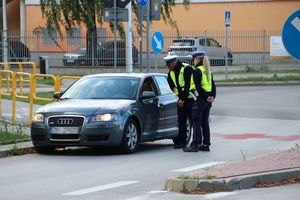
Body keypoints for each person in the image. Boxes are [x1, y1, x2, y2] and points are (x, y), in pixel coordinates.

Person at [183, 52, 216, 152]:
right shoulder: (207, 70)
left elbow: (198, 87)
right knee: (204, 122)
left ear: (197, 59)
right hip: (207, 100)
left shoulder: (197, 71)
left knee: (196, 121)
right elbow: (213, 86)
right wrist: (212, 97)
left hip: (200, 99)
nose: (193, 61)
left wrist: (206, 97)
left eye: (193, 59)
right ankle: (206, 144)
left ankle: (195, 144)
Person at [163, 55, 194, 149]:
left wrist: (182, 99)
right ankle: (182, 142)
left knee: (195, 121)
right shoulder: (171, 72)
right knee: (181, 121)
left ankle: (197, 142)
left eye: (169, 65)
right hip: (181, 100)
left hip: (190, 99)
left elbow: (188, 85)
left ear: (174, 62)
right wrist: (179, 98)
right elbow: (171, 84)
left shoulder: (186, 68)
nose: (168, 67)